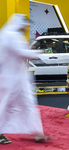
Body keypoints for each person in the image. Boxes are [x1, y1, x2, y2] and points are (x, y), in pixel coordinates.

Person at [0, 14, 51, 144]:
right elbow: (22, 52)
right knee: (5, 106)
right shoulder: (10, 35)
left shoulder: (15, 35)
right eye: (24, 26)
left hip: (20, 79)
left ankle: (37, 133)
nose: (26, 28)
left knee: (28, 104)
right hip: (8, 79)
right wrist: (41, 52)